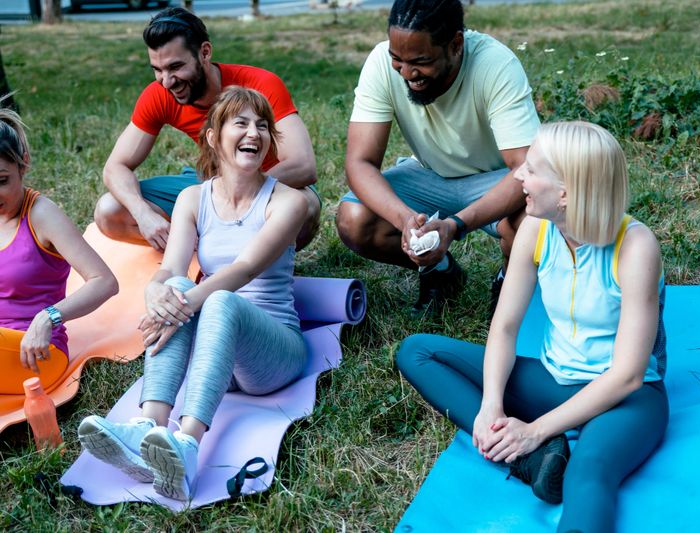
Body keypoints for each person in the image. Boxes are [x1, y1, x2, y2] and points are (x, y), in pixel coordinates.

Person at [396, 121, 669, 533]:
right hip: (555, 380)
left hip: (625, 399)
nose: (519, 175)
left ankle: (537, 447)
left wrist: (535, 429)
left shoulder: (635, 246)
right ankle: (535, 459)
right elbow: (504, 328)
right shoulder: (536, 230)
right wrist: (490, 407)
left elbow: (629, 375)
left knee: (587, 476)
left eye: (533, 169)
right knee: (417, 351)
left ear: (565, 192)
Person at [78, 87, 309, 501]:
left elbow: (245, 269)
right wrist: (156, 293)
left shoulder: (289, 201)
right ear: (213, 136)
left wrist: (180, 304)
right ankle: (149, 427)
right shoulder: (193, 198)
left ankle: (187, 445)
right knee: (179, 285)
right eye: (241, 123)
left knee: (209, 296)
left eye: (262, 125)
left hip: (273, 355)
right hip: (215, 354)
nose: (254, 132)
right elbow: (170, 266)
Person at [336, 0, 539, 315]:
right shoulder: (380, 63)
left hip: (495, 180)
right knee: (355, 220)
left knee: (533, 223)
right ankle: (441, 271)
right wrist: (405, 220)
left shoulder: (495, 64)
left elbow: (526, 168)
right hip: (428, 175)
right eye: (397, 59)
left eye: (420, 61)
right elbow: (359, 162)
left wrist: (455, 225)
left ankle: (510, 279)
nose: (407, 73)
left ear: (456, 44)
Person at [94, 7, 319, 253]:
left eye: (176, 67)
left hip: (272, 185)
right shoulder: (159, 95)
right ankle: (202, 254)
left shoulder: (260, 84)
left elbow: (302, 166)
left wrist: (225, 198)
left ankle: (239, 256)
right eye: (158, 70)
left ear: (205, 52)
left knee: (305, 207)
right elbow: (115, 167)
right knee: (109, 211)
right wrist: (143, 213)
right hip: (210, 186)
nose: (167, 81)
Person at [0, 107, 118, 394]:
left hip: (34, 353)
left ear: (23, 164)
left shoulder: (40, 215)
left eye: (2, 181)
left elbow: (105, 282)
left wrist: (47, 317)